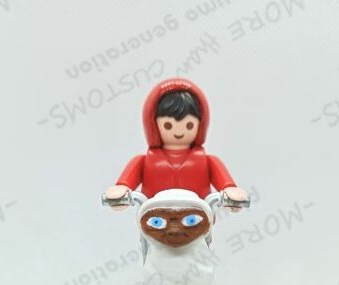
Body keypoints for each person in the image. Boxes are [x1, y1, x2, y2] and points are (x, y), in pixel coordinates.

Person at [104, 78, 248, 207]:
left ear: (200, 125)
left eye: (189, 125)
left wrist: (229, 191)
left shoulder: (208, 161)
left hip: (197, 217)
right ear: (153, 125)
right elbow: (125, 184)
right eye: (168, 125)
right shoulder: (143, 161)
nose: (179, 131)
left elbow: (226, 185)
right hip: (155, 217)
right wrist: (122, 189)